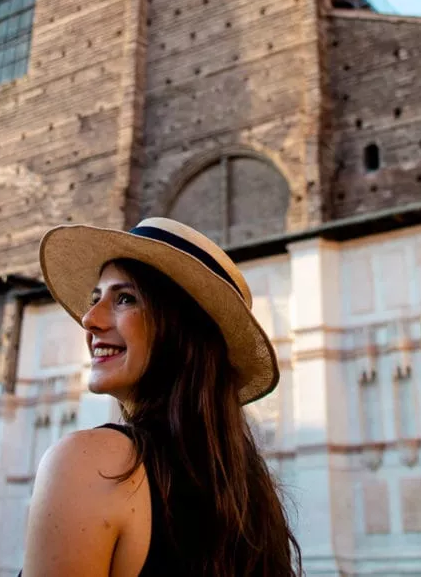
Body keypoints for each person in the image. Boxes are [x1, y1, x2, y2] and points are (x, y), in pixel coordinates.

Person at [21, 216, 301, 577]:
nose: (89, 319)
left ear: (180, 330)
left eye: (125, 298)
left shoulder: (89, 462)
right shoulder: (252, 499)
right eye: (95, 299)